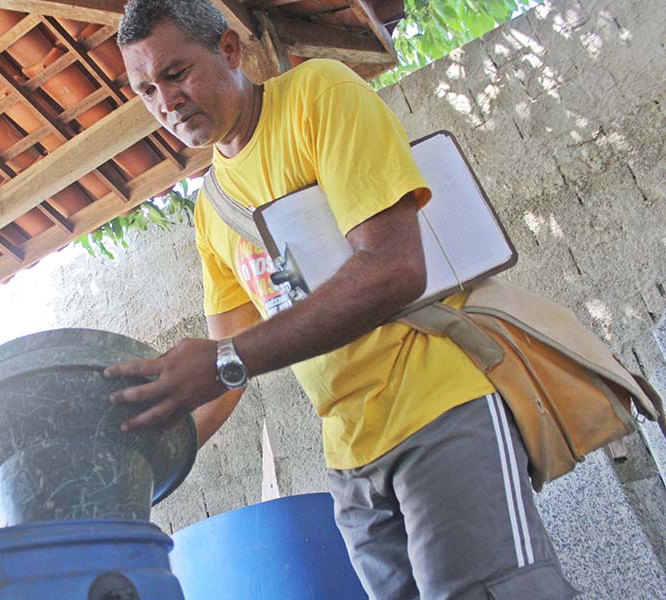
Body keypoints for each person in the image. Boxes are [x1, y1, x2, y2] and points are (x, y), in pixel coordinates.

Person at [105, 1, 578, 598]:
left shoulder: (319, 96)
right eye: (147, 90)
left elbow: (394, 268)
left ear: (229, 50)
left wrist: (226, 359)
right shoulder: (212, 208)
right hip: (351, 460)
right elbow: (223, 377)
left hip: (435, 406)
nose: (166, 102)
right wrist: (135, 477)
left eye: (176, 74)